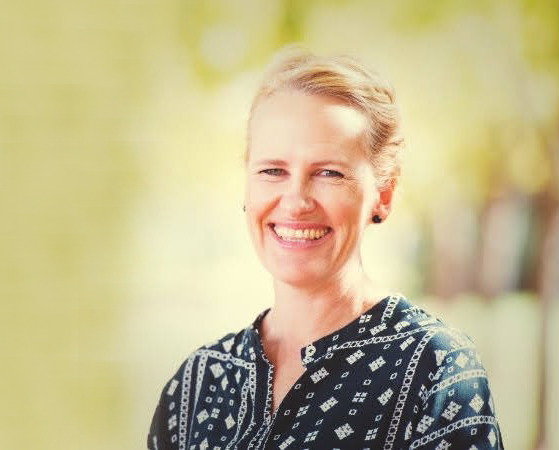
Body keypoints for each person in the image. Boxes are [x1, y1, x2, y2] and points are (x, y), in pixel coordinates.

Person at [147, 47, 504, 449]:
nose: (296, 201)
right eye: (272, 171)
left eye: (329, 173)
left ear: (382, 194)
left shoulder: (433, 367)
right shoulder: (197, 383)